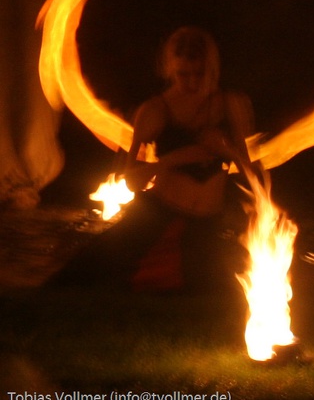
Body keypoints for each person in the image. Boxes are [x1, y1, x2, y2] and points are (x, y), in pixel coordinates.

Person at [48, 26, 254, 290]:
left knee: (211, 293)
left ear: (212, 68)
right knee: (87, 280)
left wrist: (228, 151)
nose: (191, 82)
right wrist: (169, 161)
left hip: (207, 227)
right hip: (161, 221)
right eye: (183, 74)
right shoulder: (155, 110)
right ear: (169, 69)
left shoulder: (230, 105)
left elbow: (253, 178)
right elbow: (128, 181)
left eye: (199, 74)